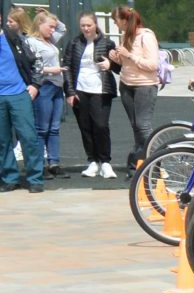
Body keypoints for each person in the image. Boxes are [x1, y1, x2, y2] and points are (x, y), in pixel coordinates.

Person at [105, 5, 162, 173]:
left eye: (116, 21)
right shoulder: (126, 36)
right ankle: (138, 163)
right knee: (135, 125)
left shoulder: (146, 36)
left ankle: (159, 159)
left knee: (143, 125)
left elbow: (152, 65)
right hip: (126, 84)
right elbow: (128, 64)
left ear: (124, 20)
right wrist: (117, 58)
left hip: (144, 85)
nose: (116, 25)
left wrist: (129, 55)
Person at [62, 11, 117, 178]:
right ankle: (92, 161)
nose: (86, 28)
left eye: (89, 25)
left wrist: (110, 64)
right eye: (83, 26)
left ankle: (105, 162)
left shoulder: (107, 43)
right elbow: (67, 68)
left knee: (101, 125)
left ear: (95, 25)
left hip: (101, 89)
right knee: (85, 127)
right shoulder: (74, 43)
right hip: (80, 89)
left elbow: (118, 66)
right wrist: (70, 91)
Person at [0, 13, 44, 192]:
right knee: (2, 141)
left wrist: (35, 85)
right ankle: (10, 177)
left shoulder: (14, 38)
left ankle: (35, 178)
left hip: (19, 93)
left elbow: (37, 60)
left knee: (28, 136)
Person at [25, 12, 66, 177]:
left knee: (54, 127)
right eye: (50, 26)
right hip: (44, 85)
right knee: (42, 128)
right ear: (39, 25)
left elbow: (63, 28)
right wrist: (51, 70)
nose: (53, 30)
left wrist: (50, 16)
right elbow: (29, 66)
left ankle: (54, 162)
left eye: (53, 27)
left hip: (56, 86)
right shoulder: (31, 42)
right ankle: (39, 164)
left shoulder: (50, 41)